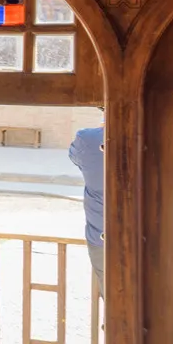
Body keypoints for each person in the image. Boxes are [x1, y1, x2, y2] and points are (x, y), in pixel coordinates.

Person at [68, 125, 104, 299]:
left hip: (101, 235)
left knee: (114, 299)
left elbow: (75, 156)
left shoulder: (89, 138)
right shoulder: (148, 136)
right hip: (146, 239)